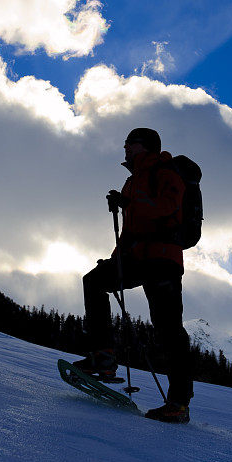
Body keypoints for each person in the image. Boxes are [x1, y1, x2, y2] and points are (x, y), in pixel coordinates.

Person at [74, 127, 193, 423]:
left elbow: (169, 208)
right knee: (95, 280)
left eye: (131, 144)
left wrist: (130, 204)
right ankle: (103, 356)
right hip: (137, 257)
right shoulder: (132, 181)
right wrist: (116, 259)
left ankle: (178, 403)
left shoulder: (166, 173)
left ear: (147, 147)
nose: (125, 148)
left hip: (163, 259)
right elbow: (130, 231)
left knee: (168, 330)